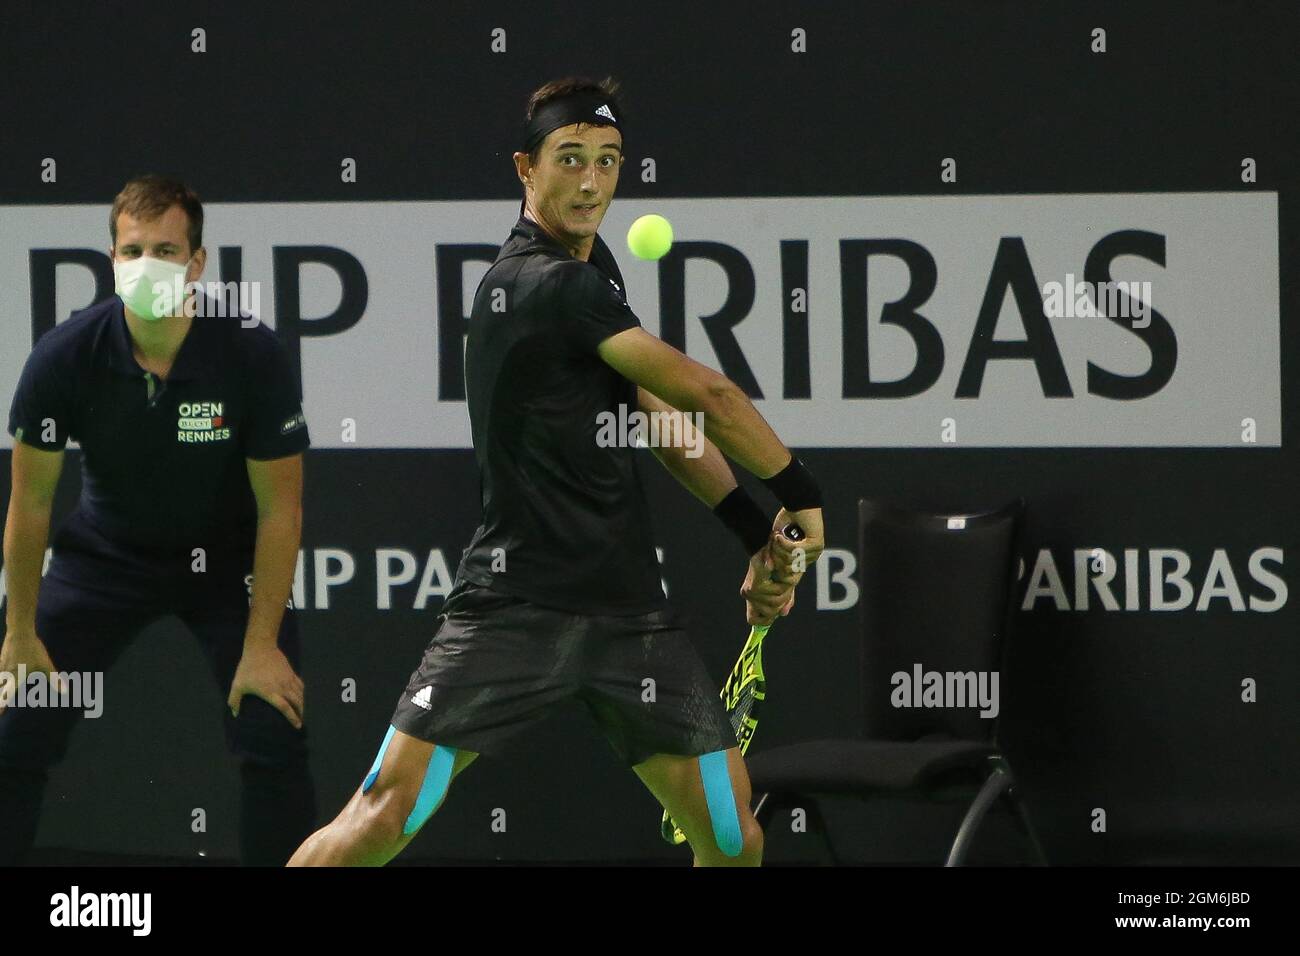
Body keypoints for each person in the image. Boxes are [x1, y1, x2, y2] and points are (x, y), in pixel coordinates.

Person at [288, 76, 825, 867]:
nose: (592, 182)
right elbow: (706, 393)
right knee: (381, 817)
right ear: (525, 170)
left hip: (628, 614)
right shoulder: (541, 283)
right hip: (516, 607)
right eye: (570, 159)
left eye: (608, 162)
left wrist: (751, 528)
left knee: (730, 834)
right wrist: (800, 495)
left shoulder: (595, 268)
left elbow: (653, 413)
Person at [0, 174, 315, 865]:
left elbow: (279, 508)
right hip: (104, 559)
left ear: (197, 264)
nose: (147, 265)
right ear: (111, 258)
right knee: (13, 724)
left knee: (273, 725)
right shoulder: (63, 357)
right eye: (132, 249)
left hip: (227, 565)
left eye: (166, 251)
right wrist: (19, 632)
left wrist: (261, 644)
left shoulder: (252, 355)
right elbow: (29, 503)